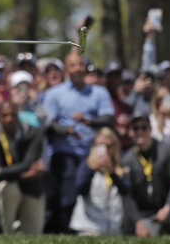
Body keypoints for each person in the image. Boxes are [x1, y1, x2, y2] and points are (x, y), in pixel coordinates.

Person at [43, 51, 115, 234]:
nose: (77, 69)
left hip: (93, 152)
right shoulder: (54, 94)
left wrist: (88, 122)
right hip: (65, 151)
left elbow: (108, 117)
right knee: (68, 196)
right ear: (66, 69)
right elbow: (48, 123)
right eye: (72, 65)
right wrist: (67, 130)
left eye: (80, 65)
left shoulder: (99, 92)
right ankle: (67, 233)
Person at [0, 101, 45, 234]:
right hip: (7, 185)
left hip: (32, 186)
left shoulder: (33, 132)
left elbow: (27, 164)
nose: (9, 119)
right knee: (9, 189)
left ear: (18, 116)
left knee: (34, 235)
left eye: (12, 115)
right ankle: (8, 233)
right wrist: (26, 174)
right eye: (5, 115)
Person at [122, 112, 170, 236]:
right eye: (135, 128)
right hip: (146, 214)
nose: (140, 131)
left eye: (144, 127)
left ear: (150, 129)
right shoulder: (127, 159)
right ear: (130, 132)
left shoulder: (167, 151)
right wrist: (138, 222)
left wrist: (168, 206)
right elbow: (127, 195)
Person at [69, 127, 130, 236]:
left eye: (108, 146)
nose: (105, 150)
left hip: (113, 227)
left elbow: (126, 191)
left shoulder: (121, 167)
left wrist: (113, 174)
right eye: (100, 146)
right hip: (89, 227)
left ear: (115, 146)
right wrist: (91, 169)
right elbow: (80, 188)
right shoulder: (86, 165)